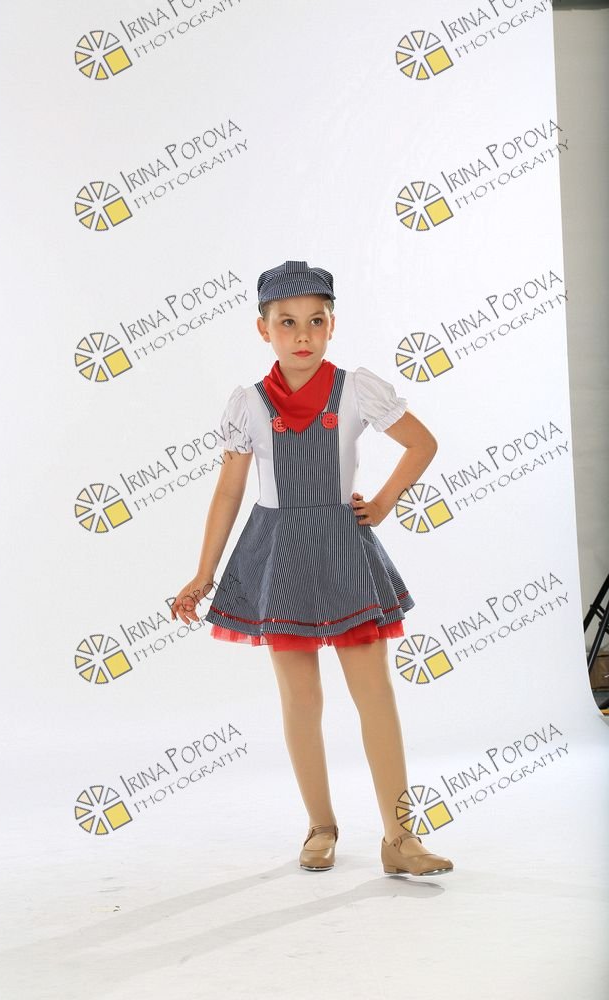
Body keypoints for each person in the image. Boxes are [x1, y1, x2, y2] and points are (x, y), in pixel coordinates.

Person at [172, 260, 453, 877]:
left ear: (332, 325)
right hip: (279, 555)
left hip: (342, 549)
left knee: (375, 694)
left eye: (316, 321)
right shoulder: (249, 404)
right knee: (301, 698)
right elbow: (229, 490)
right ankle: (320, 826)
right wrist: (204, 572)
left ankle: (400, 837)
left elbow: (422, 443)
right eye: (287, 322)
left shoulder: (356, 390)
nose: (302, 335)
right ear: (263, 329)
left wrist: (383, 502)